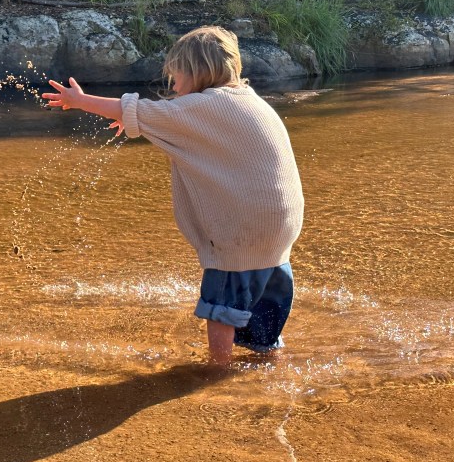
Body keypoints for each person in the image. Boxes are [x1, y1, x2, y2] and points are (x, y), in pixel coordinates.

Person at [42, 26, 304, 365]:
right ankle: (267, 359)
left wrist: (78, 101)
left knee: (222, 303)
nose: (173, 85)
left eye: (175, 77)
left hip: (242, 232)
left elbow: (132, 108)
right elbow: (181, 124)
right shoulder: (248, 100)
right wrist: (146, 122)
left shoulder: (200, 107)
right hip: (281, 229)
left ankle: (217, 372)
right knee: (262, 309)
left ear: (195, 74)